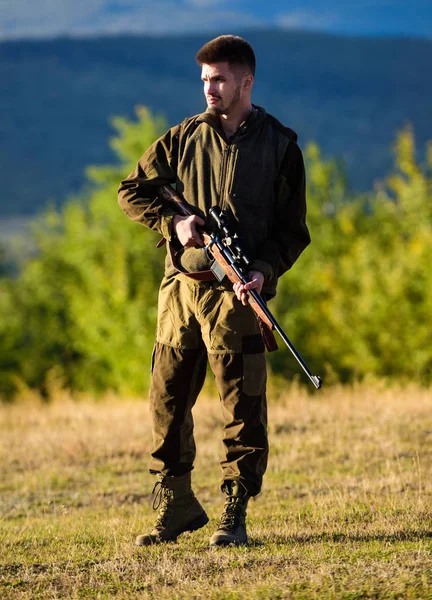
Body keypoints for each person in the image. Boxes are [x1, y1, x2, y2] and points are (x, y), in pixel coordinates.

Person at [118, 35, 311, 547]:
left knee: (242, 402)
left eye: (220, 79)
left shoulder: (280, 147)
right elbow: (130, 191)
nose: (210, 88)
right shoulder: (183, 137)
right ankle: (176, 504)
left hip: (237, 295)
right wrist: (173, 225)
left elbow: (293, 233)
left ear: (246, 82)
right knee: (167, 397)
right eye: (204, 79)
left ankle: (235, 509)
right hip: (180, 289)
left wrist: (264, 272)